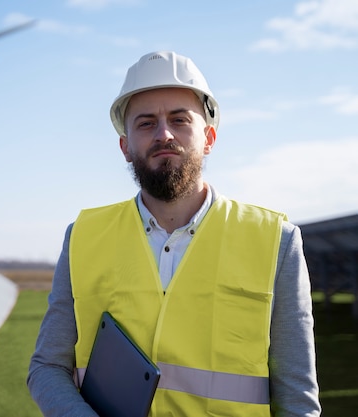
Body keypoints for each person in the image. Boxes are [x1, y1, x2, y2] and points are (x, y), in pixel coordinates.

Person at [27, 51, 321, 416]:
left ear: (209, 137)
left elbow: (298, 397)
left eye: (179, 120)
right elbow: (47, 367)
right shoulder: (83, 238)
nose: (164, 134)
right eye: (146, 123)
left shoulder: (276, 241)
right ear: (125, 147)